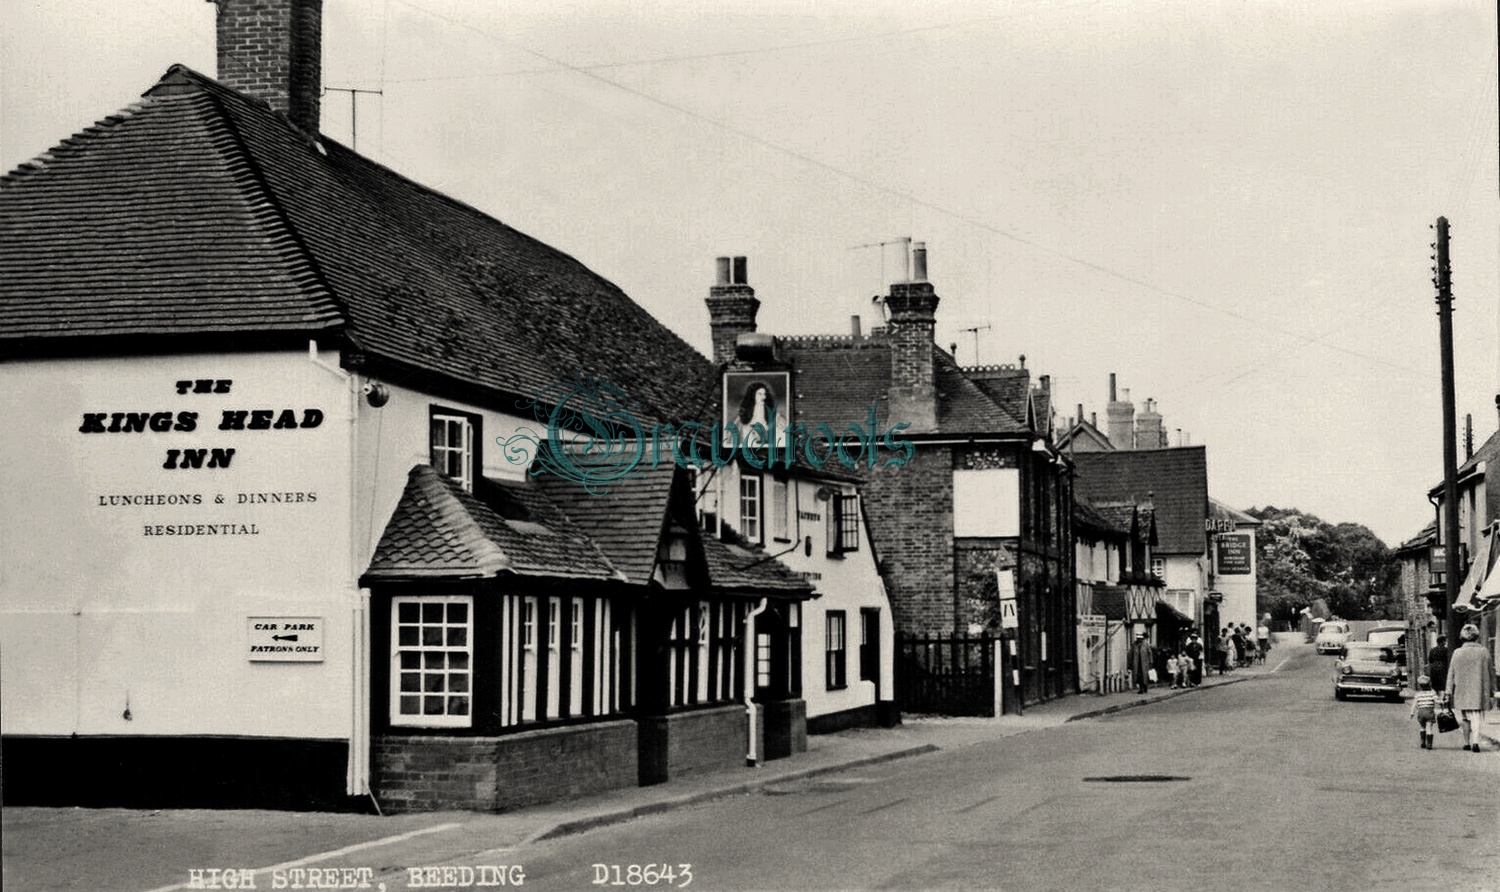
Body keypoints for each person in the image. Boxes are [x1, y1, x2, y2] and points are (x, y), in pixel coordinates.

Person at [1445, 623, 1495, 752]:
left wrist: (1448, 691)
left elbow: (1451, 673)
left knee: (1465, 717)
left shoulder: (1457, 653)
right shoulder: (1484, 652)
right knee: (1477, 716)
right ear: (1476, 636)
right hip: (1479, 689)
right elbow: (1491, 672)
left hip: (1462, 690)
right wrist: (1493, 690)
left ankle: (1466, 743)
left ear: (1462, 637)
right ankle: (1475, 742)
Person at [1409, 675, 1438, 749]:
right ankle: (1429, 744)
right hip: (1429, 712)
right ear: (1429, 684)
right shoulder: (1432, 693)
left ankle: (1422, 742)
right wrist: (1442, 702)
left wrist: (1412, 713)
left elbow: (1414, 704)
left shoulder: (1418, 694)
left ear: (1420, 686)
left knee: (1422, 727)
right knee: (1429, 727)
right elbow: (1437, 701)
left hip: (1421, 712)